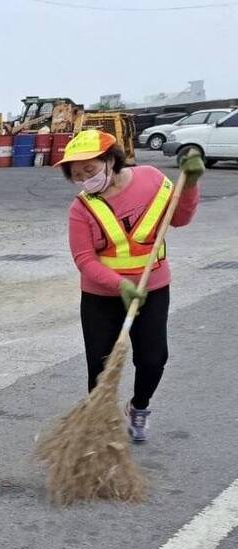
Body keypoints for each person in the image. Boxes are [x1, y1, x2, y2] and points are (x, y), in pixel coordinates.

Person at [57, 130, 204, 442]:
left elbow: (179, 218)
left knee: (153, 359)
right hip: (101, 297)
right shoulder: (81, 209)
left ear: (111, 160)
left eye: (91, 170)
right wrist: (120, 284)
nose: (86, 179)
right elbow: (84, 260)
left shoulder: (151, 180)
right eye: (78, 175)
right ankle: (100, 428)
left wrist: (189, 185)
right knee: (99, 366)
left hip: (152, 288)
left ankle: (138, 407)